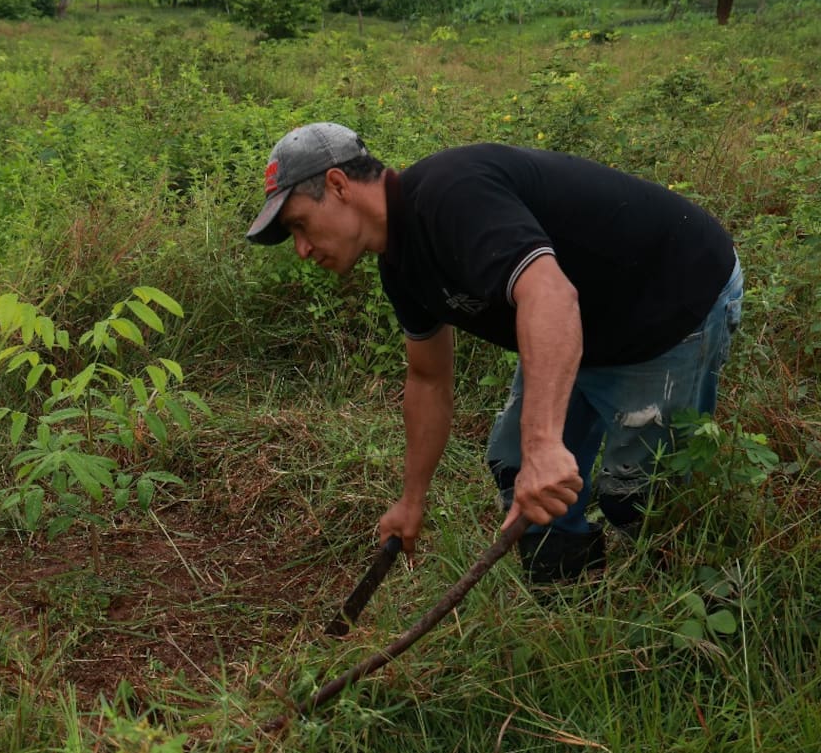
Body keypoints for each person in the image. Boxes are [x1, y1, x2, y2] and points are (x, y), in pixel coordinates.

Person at [246, 122, 743, 582]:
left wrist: (544, 444)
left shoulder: (450, 195)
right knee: (514, 464)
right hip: (578, 326)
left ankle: (696, 620)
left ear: (337, 185)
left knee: (639, 497)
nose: (303, 250)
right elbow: (428, 380)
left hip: (669, 301)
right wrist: (411, 501)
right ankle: (572, 605)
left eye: (300, 225)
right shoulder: (401, 269)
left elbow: (549, 295)